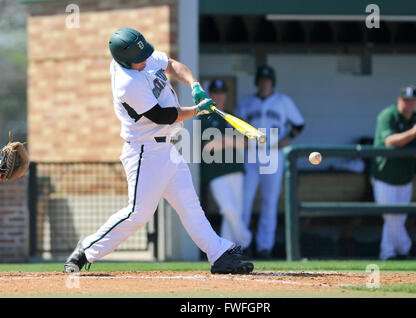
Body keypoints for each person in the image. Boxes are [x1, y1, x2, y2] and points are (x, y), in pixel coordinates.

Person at [64, 28, 253, 275]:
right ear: (124, 60)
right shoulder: (127, 83)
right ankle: (85, 251)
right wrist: (198, 110)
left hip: (169, 149)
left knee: (190, 206)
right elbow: (163, 116)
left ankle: (219, 255)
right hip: (146, 153)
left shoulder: (141, 56)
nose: (145, 61)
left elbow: (173, 65)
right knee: (138, 214)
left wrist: (195, 85)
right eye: (138, 60)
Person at [236, 65, 305, 259]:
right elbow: (235, 125)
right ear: (257, 82)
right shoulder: (247, 103)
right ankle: (241, 244)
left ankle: (265, 246)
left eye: (268, 80)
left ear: (272, 82)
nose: (265, 83)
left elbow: (299, 124)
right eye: (262, 80)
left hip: (273, 154)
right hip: (251, 154)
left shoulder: (283, 101)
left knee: (270, 202)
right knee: (245, 201)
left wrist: (288, 138)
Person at [371, 86, 416, 261]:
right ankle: (405, 248)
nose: (409, 103)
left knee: (398, 218)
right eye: (406, 100)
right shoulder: (388, 115)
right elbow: (390, 141)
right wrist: (413, 132)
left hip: (406, 175)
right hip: (384, 174)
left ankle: (389, 253)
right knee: (391, 215)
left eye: (413, 100)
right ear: (399, 100)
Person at [200, 79, 252, 249]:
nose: (219, 96)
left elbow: (245, 143)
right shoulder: (204, 117)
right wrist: (229, 140)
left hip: (235, 169)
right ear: (210, 95)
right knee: (228, 209)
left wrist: (222, 140)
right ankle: (246, 240)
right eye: (215, 93)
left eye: (222, 93)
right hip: (215, 172)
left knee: (235, 211)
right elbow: (207, 147)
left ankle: (228, 249)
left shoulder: (233, 116)